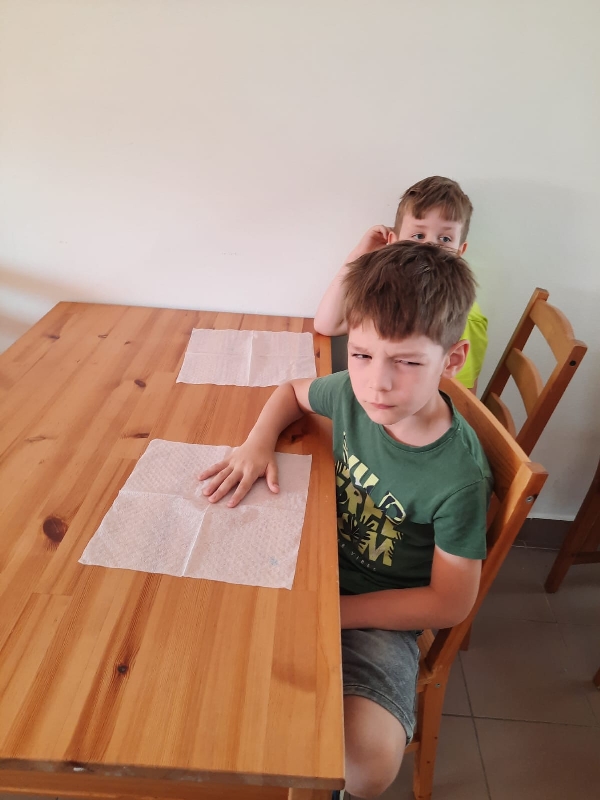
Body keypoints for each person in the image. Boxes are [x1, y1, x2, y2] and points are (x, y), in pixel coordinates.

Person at [199, 241, 492, 799]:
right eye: (360, 354)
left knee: (366, 767)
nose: (377, 382)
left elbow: (450, 602)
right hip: (311, 552)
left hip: (379, 610)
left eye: (407, 362)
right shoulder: (355, 397)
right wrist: (256, 443)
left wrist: (332, 613)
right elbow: (291, 392)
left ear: (451, 360)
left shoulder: (459, 479)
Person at [314, 176, 488, 392]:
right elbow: (326, 325)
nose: (430, 246)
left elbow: (461, 394)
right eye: (418, 235)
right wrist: (358, 256)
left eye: (445, 239)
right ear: (392, 241)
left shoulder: (462, 315)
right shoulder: (384, 289)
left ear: (460, 251)